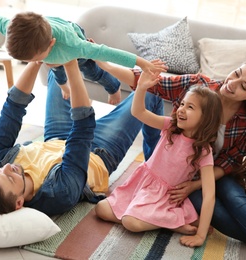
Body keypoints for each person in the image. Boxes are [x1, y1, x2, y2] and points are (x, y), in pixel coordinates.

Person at [94, 59, 246, 259]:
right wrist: (104, 63)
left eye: (244, 86)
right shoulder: (195, 93)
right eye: (237, 73)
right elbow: (151, 84)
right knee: (216, 212)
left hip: (210, 173)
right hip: (175, 175)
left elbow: (230, 163)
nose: (233, 83)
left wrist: (195, 186)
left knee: (236, 200)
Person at [0, 59, 166, 220]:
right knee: (151, 91)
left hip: (56, 138)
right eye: (10, 178)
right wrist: (71, 65)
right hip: (97, 151)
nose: (7, 167)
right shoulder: (58, 193)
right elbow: (82, 129)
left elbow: (12, 110)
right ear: (19, 203)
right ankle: (156, 168)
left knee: (55, 66)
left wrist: (37, 59)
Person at [95, 70, 222, 247]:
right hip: (141, 184)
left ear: (206, 119)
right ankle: (169, 225)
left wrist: (200, 235)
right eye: (183, 104)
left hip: (163, 198)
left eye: (190, 107)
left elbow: (209, 195)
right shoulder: (170, 126)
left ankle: (172, 221)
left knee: (130, 222)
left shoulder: (203, 151)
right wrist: (141, 88)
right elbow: (138, 112)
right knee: (100, 209)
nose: (182, 110)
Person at [0, 9, 161, 105]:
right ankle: (64, 86)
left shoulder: (74, 45)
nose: (32, 64)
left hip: (72, 37)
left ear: (50, 44)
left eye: (34, 58)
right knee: (55, 70)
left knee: (92, 71)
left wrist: (142, 63)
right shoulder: (12, 25)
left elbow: (108, 52)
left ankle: (112, 87)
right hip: (51, 48)